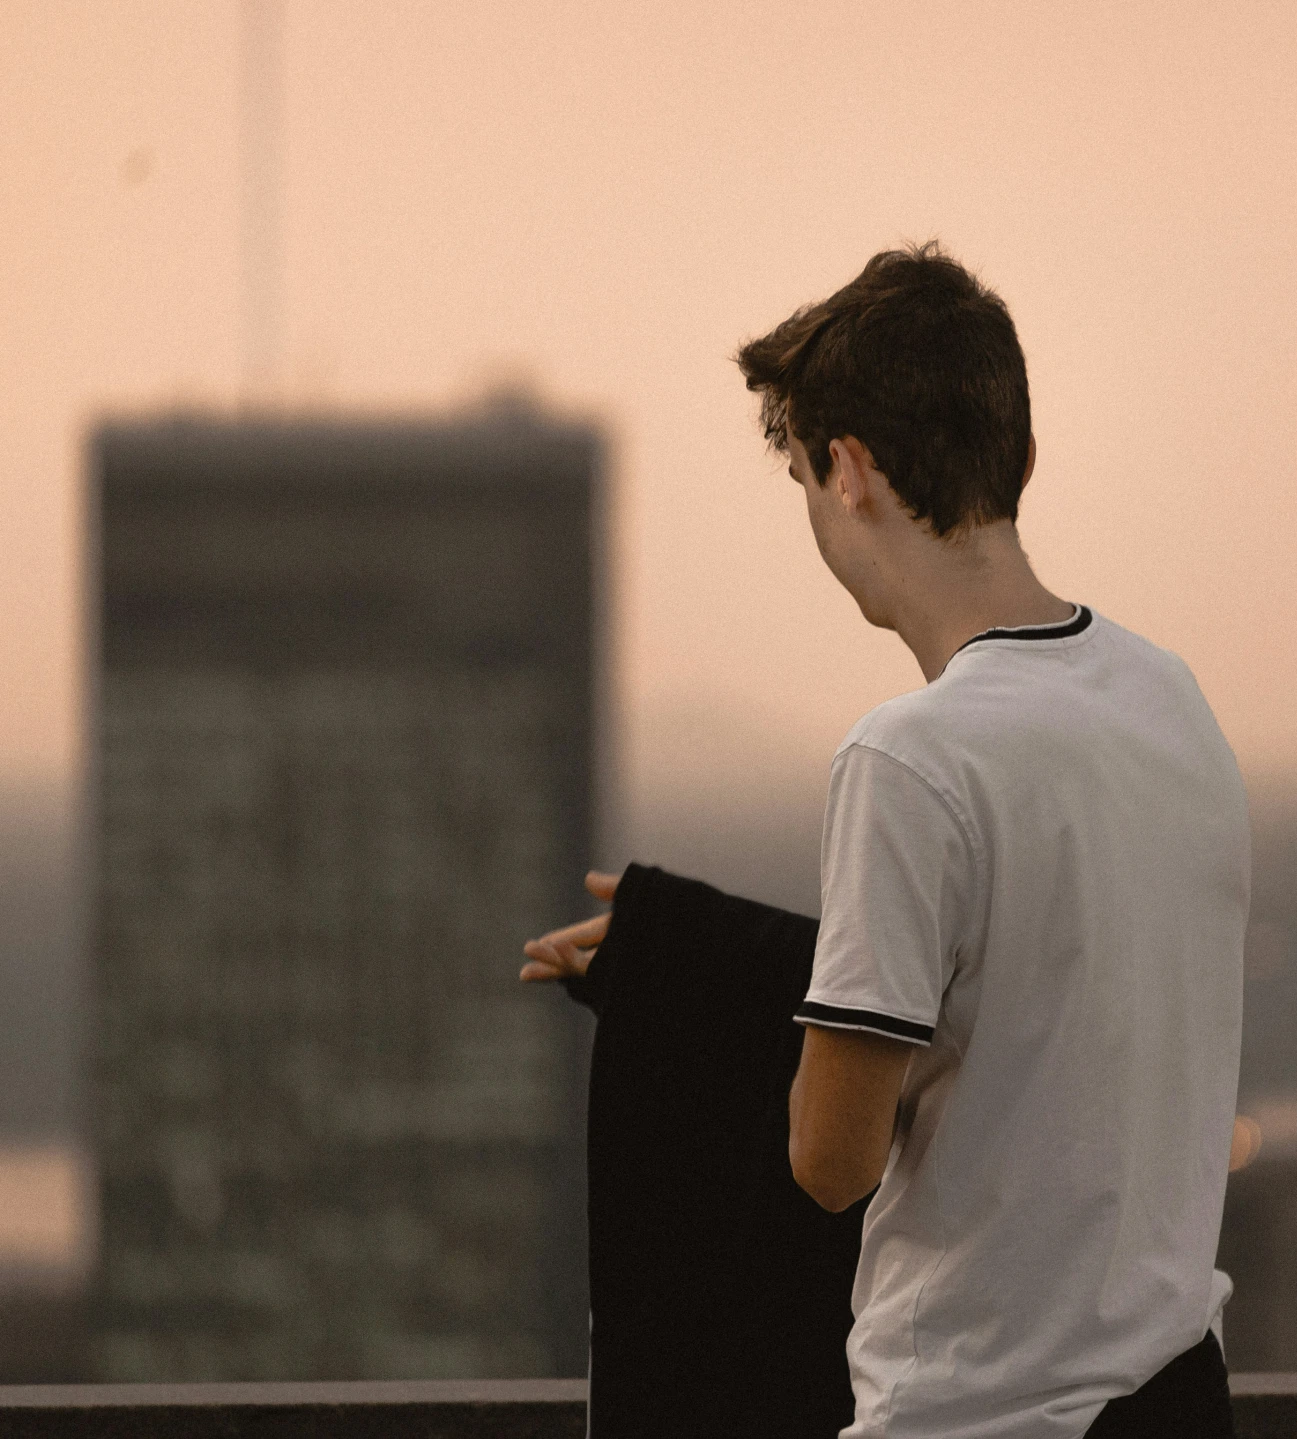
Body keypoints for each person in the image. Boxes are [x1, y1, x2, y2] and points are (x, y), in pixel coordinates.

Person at [524, 243, 1249, 1438]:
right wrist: (703, 954)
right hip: (1171, 1400)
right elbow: (1046, 989)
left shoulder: (908, 759)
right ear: (1018, 452)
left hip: (980, 1416)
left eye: (807, 477)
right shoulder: (1169, 702)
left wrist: (700, 991)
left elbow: (831, 1158)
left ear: (849, 472)